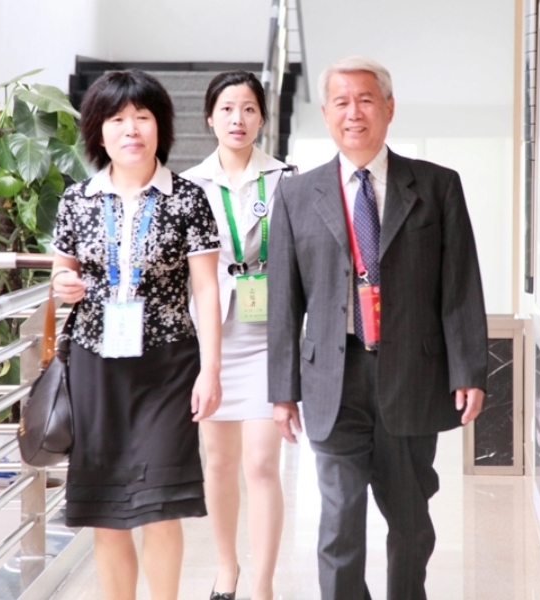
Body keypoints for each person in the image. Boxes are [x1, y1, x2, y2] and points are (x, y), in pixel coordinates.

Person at [268, 56, 489, 600]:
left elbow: (460, 287)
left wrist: (469, 370)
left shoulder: (437, 186)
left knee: (410, 522)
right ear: (326, 113)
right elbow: (284, 301)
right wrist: (282, 391)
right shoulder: (297, 194)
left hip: (411, 375)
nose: (354, 113)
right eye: (341, 102)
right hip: (333, 379)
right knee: (339, 522)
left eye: (366, 100)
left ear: (389, 108)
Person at [51, 70, 222, 600]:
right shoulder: (77, 200)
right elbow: (61, 273)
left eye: (142, 118)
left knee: (160, 505)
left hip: (168, 366)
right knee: (107, 511)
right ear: (98, 132)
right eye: (117, 119)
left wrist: (211, 371)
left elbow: (206, 289)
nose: (131, 130)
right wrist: (63, 284)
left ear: (159, 127)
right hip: (95, 366)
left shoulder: (188, 198)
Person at [181, 70, 291, 600]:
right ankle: (227, 569)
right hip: (213, 336)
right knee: (220, 462)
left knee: (262, 463)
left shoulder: (287, 178)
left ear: (262, 118)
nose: (237, 119)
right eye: (227, 109)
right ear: (210, 117)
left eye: (248, 109)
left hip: (270, 333)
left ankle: (263, 583)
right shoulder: (188, 185)